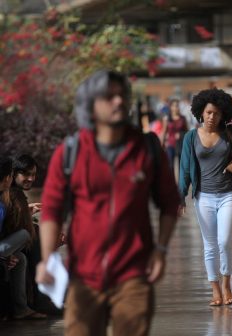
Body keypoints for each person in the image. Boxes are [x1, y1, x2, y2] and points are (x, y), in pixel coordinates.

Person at [36, 70, 180, 336]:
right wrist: (47, 258)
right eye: (109, 96)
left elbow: (171, 203)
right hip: (83, 276)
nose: (119, 102)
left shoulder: (146, 149)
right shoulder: (70, 152)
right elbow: (52, 209)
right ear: (91, 104)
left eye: (122, 95)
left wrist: (160, 249)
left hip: (134, 274)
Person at [179, 88, 232, 306]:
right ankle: (215, 289)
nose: (212, 117)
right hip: (203, 198)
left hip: (228, 195)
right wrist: (180, 196)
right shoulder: (191, 137)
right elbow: (184, 169)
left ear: (223, 115)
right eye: (209, 112)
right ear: (200, 113)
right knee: (210, 245)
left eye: (217, 113)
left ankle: (227, 285)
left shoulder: (229, 133)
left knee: (225, 241)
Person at [0, 156, 44, 320]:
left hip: (4, 248)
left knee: (20, 259)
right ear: (9, 177)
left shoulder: (10, 197)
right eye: (25, 174)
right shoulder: (9, 196)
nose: (31, 179)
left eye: (33, 174)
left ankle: (21, 309)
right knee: (27, 233)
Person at [163, 99, 189, 176]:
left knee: (181, 166)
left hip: (181, 145)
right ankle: (172, 185)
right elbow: (164, 132)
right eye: (173, 106)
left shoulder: (183, 118)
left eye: (177, 106)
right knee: (170, 166)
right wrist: (162, 144)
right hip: (170, 145)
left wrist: (181, 134)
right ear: (170, 107)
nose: (175, 107)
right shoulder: (167, 118)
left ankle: (181, 185)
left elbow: (187, 132)